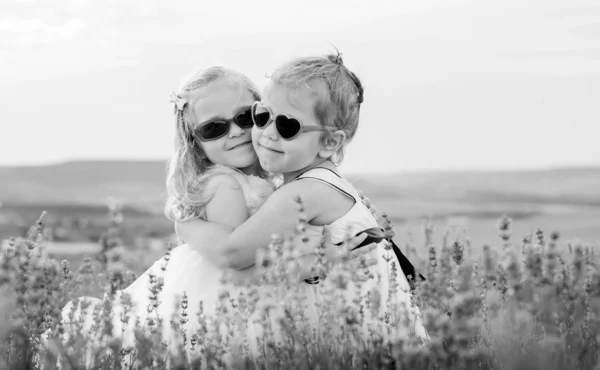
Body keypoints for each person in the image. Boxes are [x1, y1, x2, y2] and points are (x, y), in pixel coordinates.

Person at [177, 53, 428, 349]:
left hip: (362, 335)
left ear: (331, 142)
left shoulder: (300, 194)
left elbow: (232, 256)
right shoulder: (322, 182)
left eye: (287, 126)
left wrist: (187, 225)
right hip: (369, 327)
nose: (266, 133)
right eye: (262, 116)